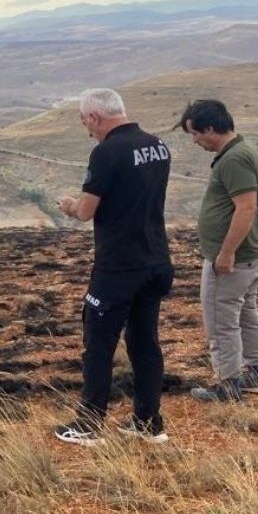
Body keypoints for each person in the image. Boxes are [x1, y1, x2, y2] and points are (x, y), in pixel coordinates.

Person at [53, 88, 174, 446]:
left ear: (94, 117)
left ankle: (88, 425)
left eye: (84, 121)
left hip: (118, 266)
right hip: (155, 259)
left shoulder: (106, 152)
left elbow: (85, 211)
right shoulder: (157, 145)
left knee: (99, 344)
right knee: (145, 342)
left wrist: (69, 205)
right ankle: (148, 422)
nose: (86, 129)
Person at [178, 100, 258, 403]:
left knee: (220, 321)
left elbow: (246, 208)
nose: (195, 141)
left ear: (209, 128)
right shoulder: (245, 149)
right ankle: (256, 373)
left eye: (195, 134)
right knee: (246, 312)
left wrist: (226, 253)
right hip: (249, 253)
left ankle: (227, 385)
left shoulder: (234, 159)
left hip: (234, 258)